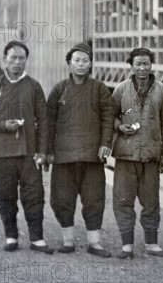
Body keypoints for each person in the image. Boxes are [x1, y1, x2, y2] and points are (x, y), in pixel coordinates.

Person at [0, 40, 53, 254]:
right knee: (5, 194)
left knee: (34, 195)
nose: (17, 63)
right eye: (13, 58)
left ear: (26, 60)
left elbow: (44, 120)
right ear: (5, 59)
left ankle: (37, 238)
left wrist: (43, 152)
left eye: (22, 58)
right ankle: (11, 236)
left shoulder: (34, 85)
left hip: (29, 151)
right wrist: (2, 125)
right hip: (2, 151)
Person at [47, 43, 113, 257]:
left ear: (91, 63)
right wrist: (47, 150)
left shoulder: (100, 88)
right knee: (61, 199)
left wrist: (105, 143)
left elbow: (107, 118)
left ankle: (94, 243)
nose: (81, 64)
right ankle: (68, 241)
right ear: (69, 63)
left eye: (85, 60)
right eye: (77, 60)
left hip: (92, 155)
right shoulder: (59, 89)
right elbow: (49, 122)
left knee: (94, 199)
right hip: (64, 155)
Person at [111, 47, 163, 259]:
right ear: (131, 65)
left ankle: (151, 244)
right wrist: (119, 127)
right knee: (122, 200)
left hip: (151, 156)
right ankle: (127, 245)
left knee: (151, 201)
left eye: (146, 63)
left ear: (151, 65)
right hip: (125, 155)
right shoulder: (120, 89)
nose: (142, 68)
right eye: (138, 64)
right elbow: (110, 116)